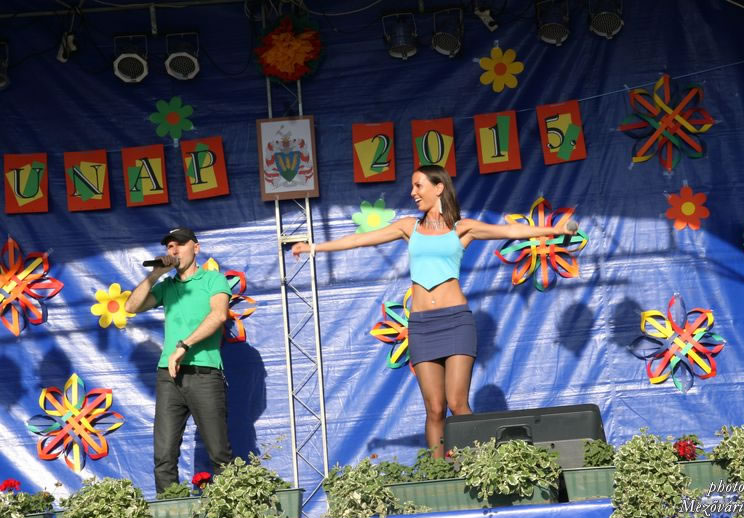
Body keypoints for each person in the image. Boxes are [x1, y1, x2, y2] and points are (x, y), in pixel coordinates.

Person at [292, 165, 576, 458]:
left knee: (457, 403)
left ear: (438, 187)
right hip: (422, 326)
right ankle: (439, 472)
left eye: (419, 186)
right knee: (435, 408)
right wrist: (314, 248)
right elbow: (360, 239)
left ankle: (478, 467)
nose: (413, 193)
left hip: (456, 322)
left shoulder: (462, 228)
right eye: (413, 187)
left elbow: (511, 230)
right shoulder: (408, 227)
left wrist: (555, 230)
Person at [125, 227, 233, 494]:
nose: (174, 250)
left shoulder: (214, 279)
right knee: (163, 455)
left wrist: (184, 345)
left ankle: (230, 510)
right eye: (169, 246)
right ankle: (170, 511)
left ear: (196, 248)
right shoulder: (166, 286)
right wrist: (155, 274)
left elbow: (219, 316)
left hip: (204, 373)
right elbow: (130, 307)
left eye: (180, 245)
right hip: (169, 376)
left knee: (219, 452)